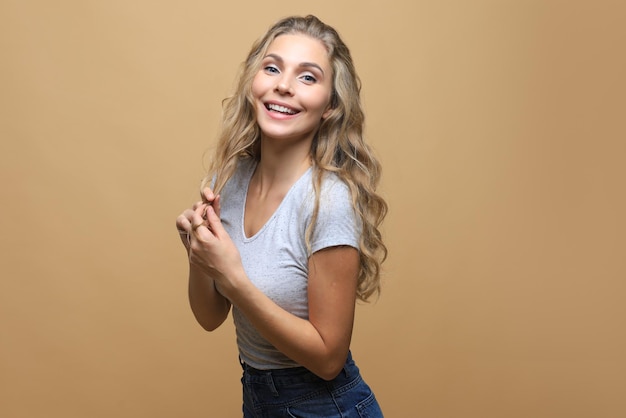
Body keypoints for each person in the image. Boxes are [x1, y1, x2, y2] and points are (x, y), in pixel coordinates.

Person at [176, 15, 387, 417]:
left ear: (330, 107)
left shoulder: (328, 201)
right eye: (272, 68)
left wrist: (234, 279)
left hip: (323, 406)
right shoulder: (228, 179)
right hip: (257, 398)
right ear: (253, 83)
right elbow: (209, 317)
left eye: (308, 78)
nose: (284, 86)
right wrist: (199, 254)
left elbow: (328, 358)